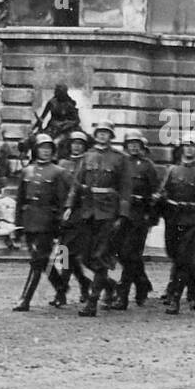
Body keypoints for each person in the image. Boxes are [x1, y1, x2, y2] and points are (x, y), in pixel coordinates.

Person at [63, 120, 132, 317]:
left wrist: (122, 214)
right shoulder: (87, 156)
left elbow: (126, 190)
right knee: (84, 256)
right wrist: (69, 206)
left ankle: (92, 302)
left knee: (99, 255)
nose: (103, 136)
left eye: (106, 133)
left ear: (111, 136)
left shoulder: (119, 158)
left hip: (108, 212)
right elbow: (77, 184)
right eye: (100, 132)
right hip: (87, 210)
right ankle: (109, 286)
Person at [12, 133, 71, 311]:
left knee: (37, 260)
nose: (45, 152)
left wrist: (61, 223)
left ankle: (25, 299)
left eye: (49, 149)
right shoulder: (27, 171)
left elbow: (62, 200)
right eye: (42, 148)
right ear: (35, 150)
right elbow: (20, 199)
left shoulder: (58, 172)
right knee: (42, 259)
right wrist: (17, 224)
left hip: (47, 221)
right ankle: (61, 287)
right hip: (29, 219)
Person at [157, 135, 195, 314]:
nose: (189, 149)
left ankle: (175, 298)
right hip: (173, 218)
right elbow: (163, 191)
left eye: (193, 147)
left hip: (192, 220)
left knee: (183, 258)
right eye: (186, 146)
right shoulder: (172, 170)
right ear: (181, 149)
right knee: (175, 255)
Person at [110, 129, 161, 310]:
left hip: (139, 215)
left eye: (136, 144)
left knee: (130, 254)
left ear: (141, 146)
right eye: (130, 144)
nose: (133, 147)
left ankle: (122, 296)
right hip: (121, 214)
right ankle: (142, 282)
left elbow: (156, 193)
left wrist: (151, 218)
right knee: (122, 253)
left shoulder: (148, 166)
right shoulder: (120, 163)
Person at [47, 130, 93, 307]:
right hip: (63, 213)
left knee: (71, 253)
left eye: (80, 143)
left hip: (81, 213)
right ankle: (81, 283)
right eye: (74, 143)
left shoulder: (88, 163)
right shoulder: (62, 164)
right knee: (66, 254)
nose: (77, 146)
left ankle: (63, 291)